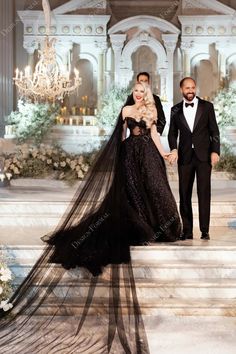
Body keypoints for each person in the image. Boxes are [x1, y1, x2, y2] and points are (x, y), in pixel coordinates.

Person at [0, 83, 181, 353]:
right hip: (131, 155)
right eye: (135, 90)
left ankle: (161, 227)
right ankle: (143, 227)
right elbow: (119, 138)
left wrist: (163, 153)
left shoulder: (152, 111)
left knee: (156, 189)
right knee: (133, 193)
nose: (138, 94)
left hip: (150, 154)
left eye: (142, 90)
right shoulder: (126, 110)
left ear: (148, 92)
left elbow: (154, 135)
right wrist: (119, 163)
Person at [168, 77, 220, 241]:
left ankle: (205, 230)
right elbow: (172, 133)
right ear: (181, 90)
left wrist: (215, 151)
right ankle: (187, 231)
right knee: (184, 194)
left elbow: (215, 132)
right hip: (185, 157)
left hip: (204, 156)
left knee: (204, 193)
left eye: (192, 88)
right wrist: (174, 149)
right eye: (187, 88)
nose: (190, 91)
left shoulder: (207, 107)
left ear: (195, 88)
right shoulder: (175, 109)